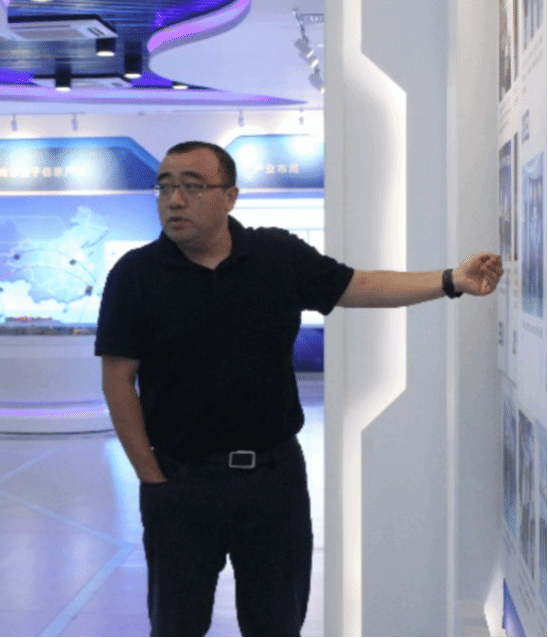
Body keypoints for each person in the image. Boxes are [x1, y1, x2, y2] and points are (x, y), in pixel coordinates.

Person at [96, 141, 503, 637]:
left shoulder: (275, 255)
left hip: (274, 482)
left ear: (230, 196)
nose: (174, 200)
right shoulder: (135, 275)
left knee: (277, 623)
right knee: (176, 626)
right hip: (181, 481)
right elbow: (118, 380)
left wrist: (451, 280)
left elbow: (358, 286)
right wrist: (152, 480)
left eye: (191, 186)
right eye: (164, 186)